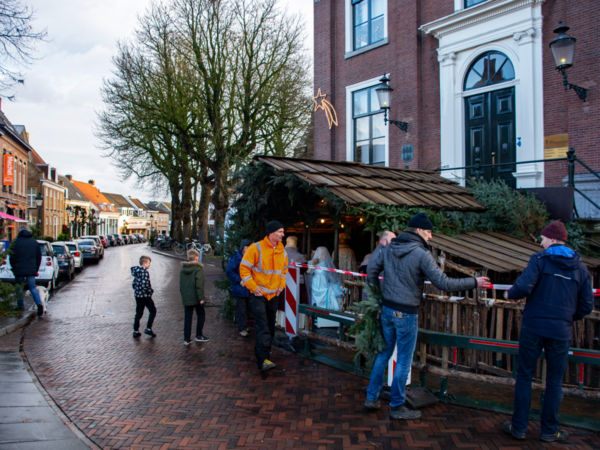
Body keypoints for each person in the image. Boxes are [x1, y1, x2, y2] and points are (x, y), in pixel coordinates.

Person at [365, 212, 489, 420]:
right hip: (406, 312)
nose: (431, 237)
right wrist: (474, 282)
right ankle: (396, 406)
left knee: (384, 353)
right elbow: (444, 283)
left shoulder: (389, 247)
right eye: (429, 232)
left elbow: (371, 271)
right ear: (420, 230)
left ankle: (371, 397)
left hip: (387, 309)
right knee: (404, 360)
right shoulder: (421, 254)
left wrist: (378, 297)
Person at [501, 221, 592, 443]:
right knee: (554, 380)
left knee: (524, 376)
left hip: (533, 326)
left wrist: (509, 294)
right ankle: (550, 430)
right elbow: (587, 305)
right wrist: (568, 318)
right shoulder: (581, 268)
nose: (540, 242)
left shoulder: (540, 260)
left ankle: (519, 427)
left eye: (542, 238)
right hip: (560, 331)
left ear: (552, 239)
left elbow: (523, 287)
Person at [240, 220, 288, 372]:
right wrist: (253, 288)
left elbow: (284, 271)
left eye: (282, 231)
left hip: (273, 295)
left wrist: (281, 286)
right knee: (263, 326)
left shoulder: (283, 251)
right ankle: (262, 359)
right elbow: (244, 269)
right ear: (271, 233)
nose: (283, 234)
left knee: (270, 326)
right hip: (259, 295)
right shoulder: (256, 248)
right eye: (280, 232)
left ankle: (266, 355)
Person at [10, 227, 43, 316]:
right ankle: (39, 304)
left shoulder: (16, 243)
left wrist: (13, 268)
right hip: (31, 269)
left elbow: (12, 257)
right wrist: (36, 269)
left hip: (19, 269)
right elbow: (39, 257)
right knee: (32, 288)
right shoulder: (34, 242)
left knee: (19, 288)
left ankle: (20, 306)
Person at [180, 249, 209, 345]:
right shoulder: (198, 269)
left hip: (187, 297)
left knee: (188, 318)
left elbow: (181, 285)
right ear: (196, 257)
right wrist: (201, 298)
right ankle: (199, 335)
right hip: (196, 298)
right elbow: (199, 285)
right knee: (201, 315)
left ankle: (186, 338)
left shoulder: (183, 269)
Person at [226, 239, 252, 337]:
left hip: (248, 288)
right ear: (243, 248)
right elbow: (229, 271)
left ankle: (243, 325)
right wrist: (239, 280)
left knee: (247, 308)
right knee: (242, 308)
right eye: (247, 247)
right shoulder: (236, 258)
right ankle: (242, 328)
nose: (249, 249)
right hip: (240, 288)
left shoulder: (250, 257)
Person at [308, 246, 343, 311]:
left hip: (318, 286)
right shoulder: (322, 264)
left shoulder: (318, 264)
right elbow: (332, 278)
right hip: (321, 286)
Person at [130, 255, 157, 338]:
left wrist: (137, 290)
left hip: (138, 295)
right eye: (149, 263)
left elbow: (134, 284)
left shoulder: (136, 271)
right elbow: (145, 285)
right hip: (145, 295)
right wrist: (150, 291)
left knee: (138, 313)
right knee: (153, 310)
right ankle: (148, 328)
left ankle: (136, 330)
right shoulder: (144, 272)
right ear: (144, 263)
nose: (149, 265)